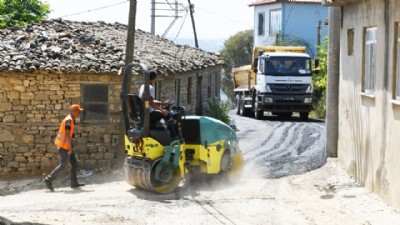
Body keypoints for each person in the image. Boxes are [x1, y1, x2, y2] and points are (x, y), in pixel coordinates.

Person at [44, 104, 85, 191]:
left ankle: (74, 183)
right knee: (64, 165)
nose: (79, 114)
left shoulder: (71, 120)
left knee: (74, 163)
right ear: (73, 111)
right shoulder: (69, 120)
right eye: (78, 112)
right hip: (64, 146)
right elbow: (66, 135)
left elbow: (70, 134)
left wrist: (71, 143)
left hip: (67, 145)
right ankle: (49, 179)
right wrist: (70, 148)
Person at [139, 71, 177, 138]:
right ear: (153, 78)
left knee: (164, 112)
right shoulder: (150, 88)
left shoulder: (143, 86)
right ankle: (173, 136)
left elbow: (150, 100)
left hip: (144, 112)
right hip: (149, 114)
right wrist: (162, 111)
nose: (156, 80)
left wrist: (162, 103)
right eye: (156, 78)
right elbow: (151, 103)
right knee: (169, 114)